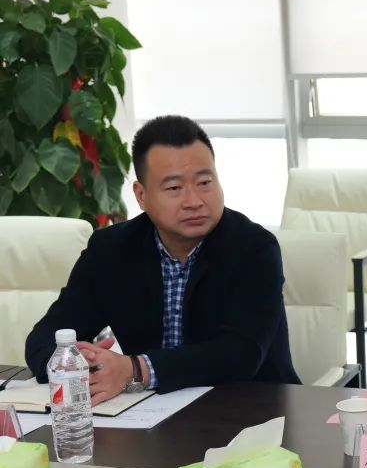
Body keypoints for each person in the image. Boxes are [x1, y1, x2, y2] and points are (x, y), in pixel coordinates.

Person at [25, 115, 300, 402]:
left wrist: (136, 369)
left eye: (205, 182)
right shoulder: (110, 250)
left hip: (251, 411)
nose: (194, 201)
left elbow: (241, 354)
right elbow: (44, 340)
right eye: (174, 188)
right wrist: (83, 364)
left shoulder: (253, 248)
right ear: (141, 195)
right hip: (148, 413)